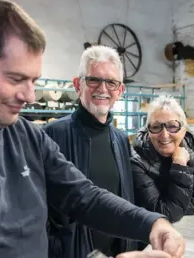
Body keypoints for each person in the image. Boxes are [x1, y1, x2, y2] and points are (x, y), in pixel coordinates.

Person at [0, 0, 185, 258]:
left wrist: (152, 224)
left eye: (34, 81)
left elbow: (83, 196)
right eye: (16, 79)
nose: (30, 96)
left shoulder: (24, 135)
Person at [43, 45, 137, 257]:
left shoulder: (121, 140)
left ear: (120, 91)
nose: (103, 89)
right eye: (93, 79)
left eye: (111, 82)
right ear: (78, 85)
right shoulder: (51, 136)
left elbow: (126, 200)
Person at [131, 95, 194, 223]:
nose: (164, 135)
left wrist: (174, 207)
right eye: (156, 127)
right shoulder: (137, 158)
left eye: (172, 126)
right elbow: (165, 213)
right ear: (148, 131)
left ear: (184, 130)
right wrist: (180, 167)